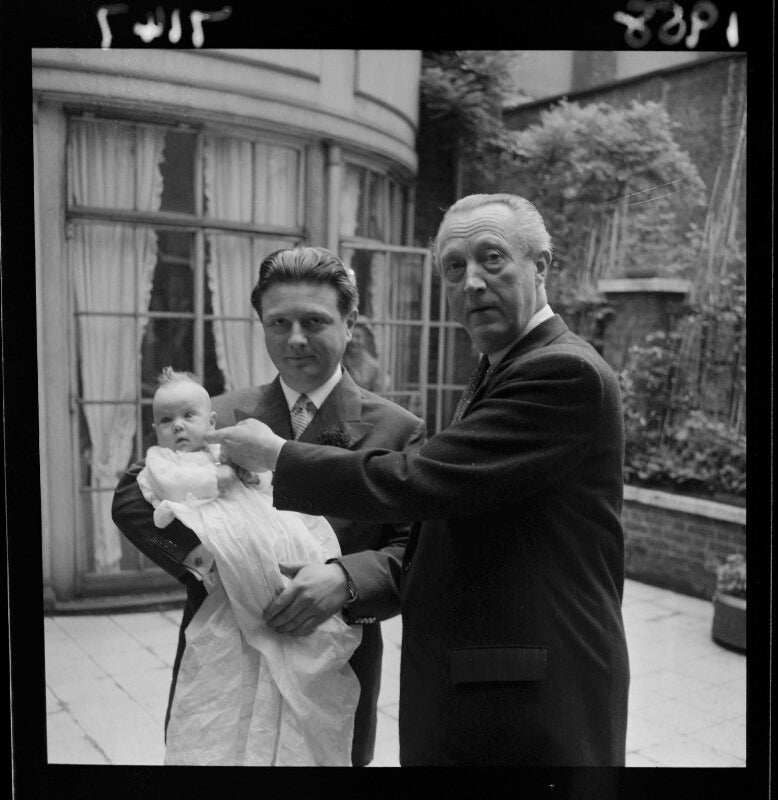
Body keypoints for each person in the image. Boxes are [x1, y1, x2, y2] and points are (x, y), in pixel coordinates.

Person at [206, 194, 630, 766]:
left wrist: (280, 457)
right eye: (454, 267)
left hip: (527, 698)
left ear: (542, 266)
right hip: (491, 685)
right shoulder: (504, 367)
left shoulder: (561, 370)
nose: (471, 282)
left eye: (492, 258)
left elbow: (422, 482)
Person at [111, 247, 426, 767]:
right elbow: (132, 493)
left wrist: (345, 580)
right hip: (226, 660)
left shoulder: (395, 429)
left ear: (350, 324)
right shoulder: (218, 413)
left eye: (314, 321)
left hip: (331, 659)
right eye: (279, 322)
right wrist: (214, 563)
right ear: (261, 325)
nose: (295, 339)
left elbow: (413, 550)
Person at [137, 367, 361, 766]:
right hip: (224, 559)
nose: (177, 427)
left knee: (293, 543)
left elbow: (265, 483)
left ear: (211, 421)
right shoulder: (163, 458)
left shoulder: (225, 446)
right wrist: (216, 479)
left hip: (286, 550)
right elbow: (163, 484)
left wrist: (248, 475)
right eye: (165, 421)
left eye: (187, 416)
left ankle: (288, 587)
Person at [342, 319, 389, 393]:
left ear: (367, 340)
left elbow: (377, 394)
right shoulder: (337, 359)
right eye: (351, 335)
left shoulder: (373, 366)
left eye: (358, 337)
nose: (353, 340)